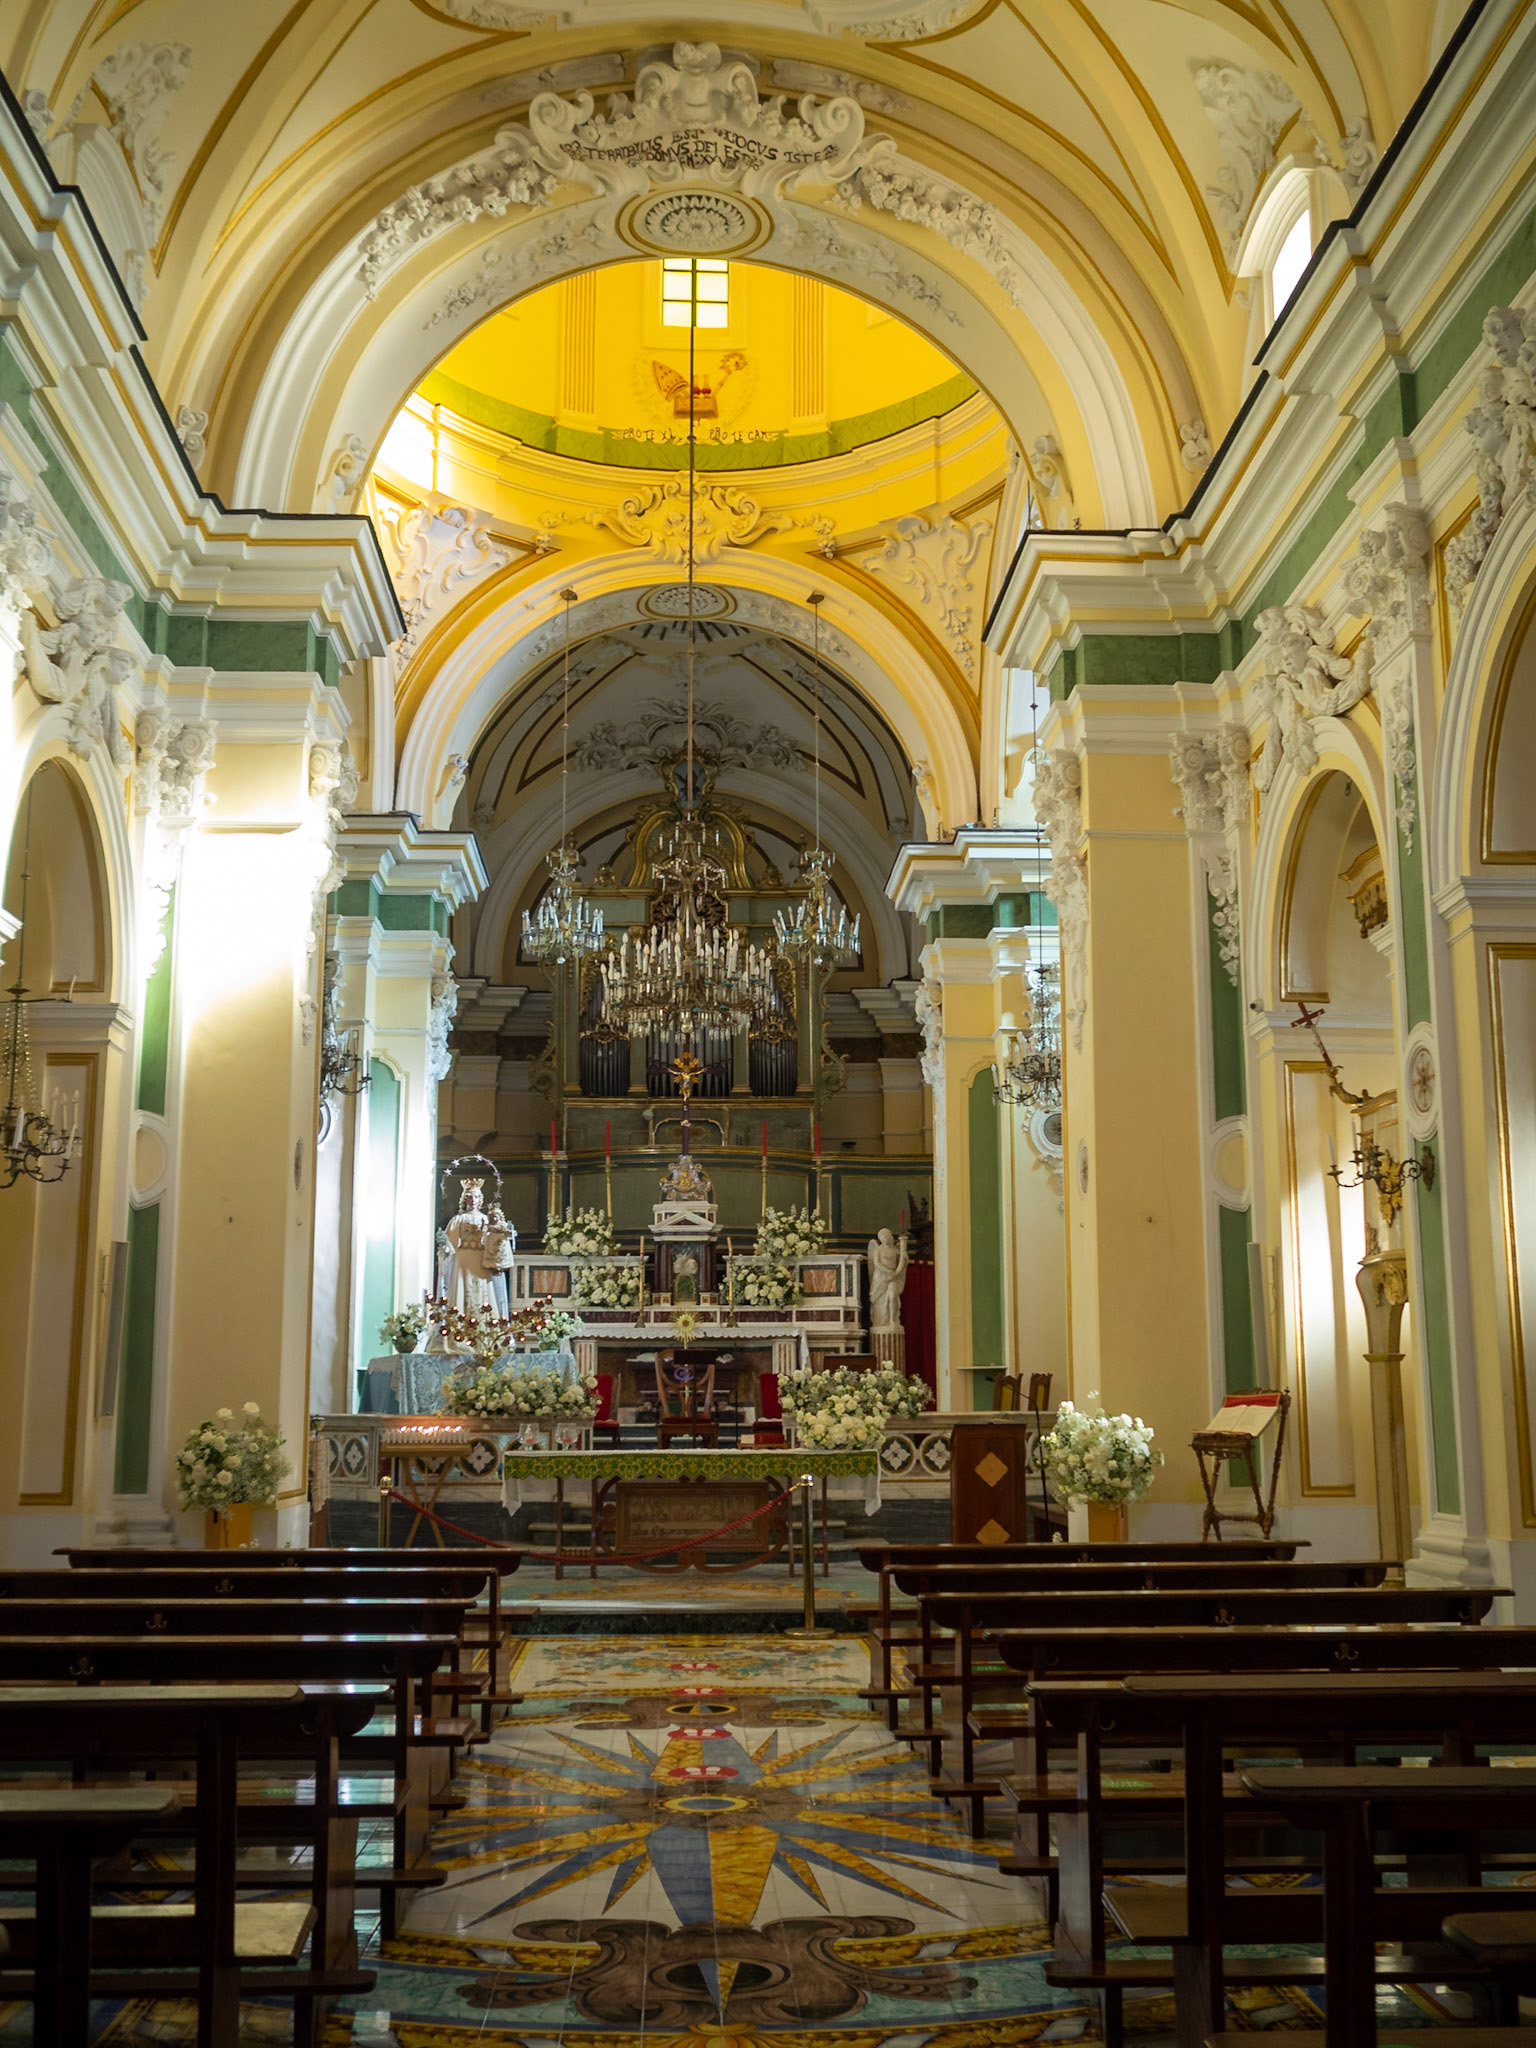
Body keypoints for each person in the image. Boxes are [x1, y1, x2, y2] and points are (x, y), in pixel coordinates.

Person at [868, 1226, 910, 1329]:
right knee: (879, 1301)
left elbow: (903, 1262)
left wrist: (904, 1256)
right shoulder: (878, 1249)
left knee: (892, 1296)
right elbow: (876, 1263)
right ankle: (881, 1320)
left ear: (890, 1237)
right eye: (882, 1238)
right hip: (881, 1277)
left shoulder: (896, 1250)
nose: (885, 1239)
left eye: (886, 1237)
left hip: (893, 1277)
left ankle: (892, 1320)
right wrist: (888, 1272)